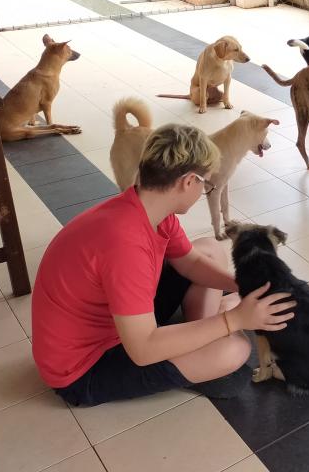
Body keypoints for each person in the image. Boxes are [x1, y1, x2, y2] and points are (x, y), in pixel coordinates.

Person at [31, 123, 295, 406]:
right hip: (83, 368)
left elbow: (190, 262)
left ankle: (201, 336)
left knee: (207, 249)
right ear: (187, 181)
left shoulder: (147, 207)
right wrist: (235, 320)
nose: (205, 189)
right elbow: (142, 350)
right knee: (236, 349)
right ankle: (206, 346)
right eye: (206, 183)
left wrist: (241, 285)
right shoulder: (126, 245)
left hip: (113, 319)